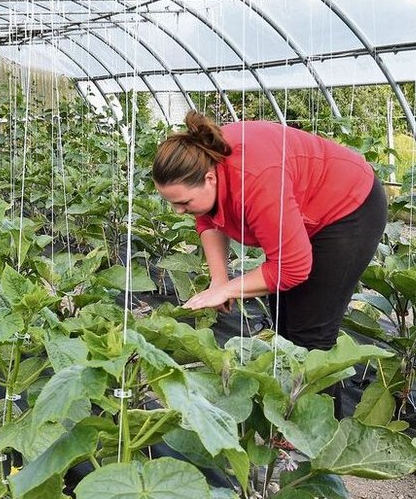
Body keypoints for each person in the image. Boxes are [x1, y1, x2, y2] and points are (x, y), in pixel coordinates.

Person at [152, 110, 387, 356]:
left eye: (184, 203)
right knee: (284, 322)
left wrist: (227, 290)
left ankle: (320, 394)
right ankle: (289, 390)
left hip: (348, 207)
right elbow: (208, 219)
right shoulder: (203, 162)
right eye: (172, 203)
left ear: (210, 178)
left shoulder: (255, 181)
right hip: (301, 205)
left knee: (309, 336)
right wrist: (218, 280)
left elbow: (292, 268)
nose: (178, 211)